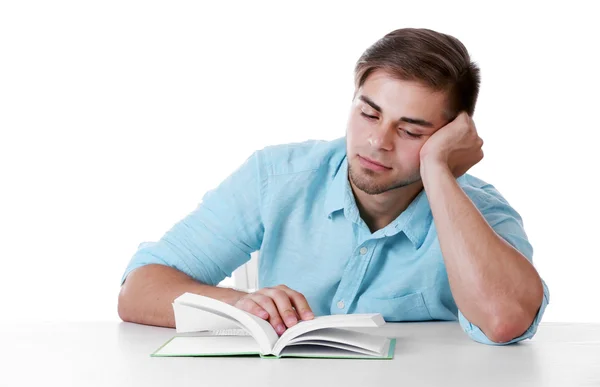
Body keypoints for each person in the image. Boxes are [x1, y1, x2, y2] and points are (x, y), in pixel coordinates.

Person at [118, 28, 549, 345]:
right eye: (368, 113)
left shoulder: (483, 214)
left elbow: (505, 321)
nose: (378, 142)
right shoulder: (277, 176)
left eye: (412, 131)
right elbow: (138, 290)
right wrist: (237, 305)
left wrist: (437, 170)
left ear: (450, 137)